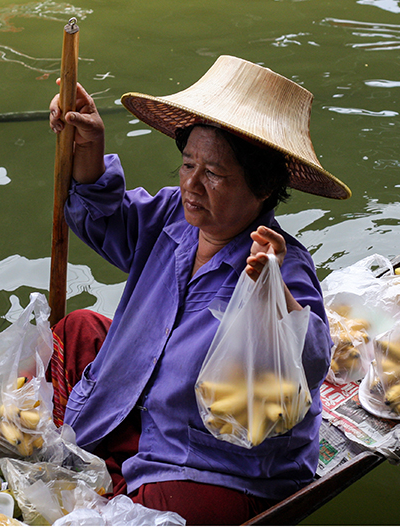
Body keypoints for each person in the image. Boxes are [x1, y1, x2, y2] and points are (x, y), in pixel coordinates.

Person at [46, 55, 351, 525]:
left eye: (214, 174)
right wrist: (89, 148)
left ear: (263, 189)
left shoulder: (278, 261)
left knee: (169, 503)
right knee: (77, 329)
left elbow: (309, 365)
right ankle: (107, 465)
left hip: (211, 456)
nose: (191, 184)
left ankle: (114, 474)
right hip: (152, 408)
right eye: (188, 164)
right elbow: (104, 219)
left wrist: (271, 290)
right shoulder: (171, 218)